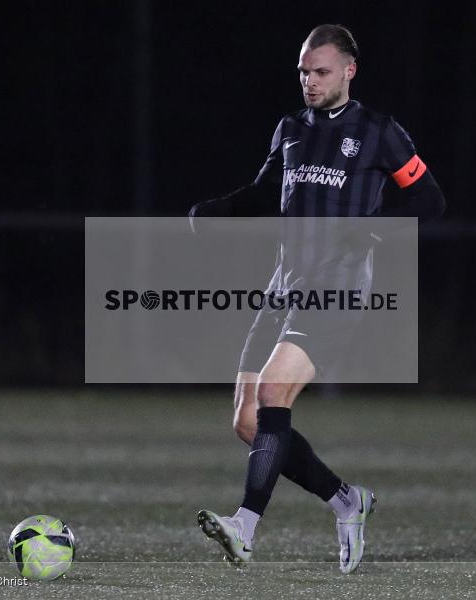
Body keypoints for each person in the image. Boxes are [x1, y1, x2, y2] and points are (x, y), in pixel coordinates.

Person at [191, 24, 445, 573]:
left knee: (275, 393)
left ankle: (245, 527)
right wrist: (214, 211)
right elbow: (263, 194)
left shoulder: (380, 132)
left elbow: (429, 199)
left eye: (321, 71)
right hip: (284, 285)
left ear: (349, 70)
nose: (310, 80)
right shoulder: (290, 129)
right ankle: (345, 500)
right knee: (247, 421)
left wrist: (375, 229)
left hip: (338, 285)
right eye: (304, 71)